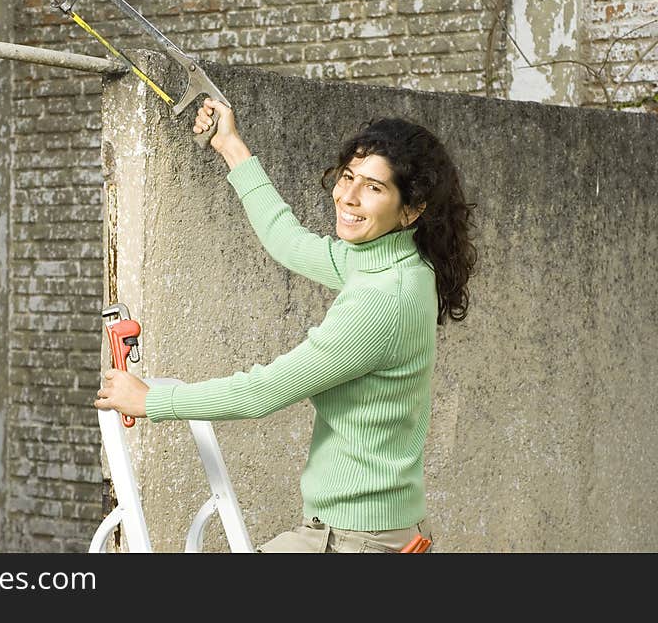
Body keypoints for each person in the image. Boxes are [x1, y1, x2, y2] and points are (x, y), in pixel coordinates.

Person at [94, 98, 477, 552]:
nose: (348, 197)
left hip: (356, 541)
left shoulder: (382, 300)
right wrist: (231, 146)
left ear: (411, 210)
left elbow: (265, 391)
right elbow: (289, 242)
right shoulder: (392, 264)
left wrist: (153, 400)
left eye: (373, 188)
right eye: (348, 177)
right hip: (373, 532)